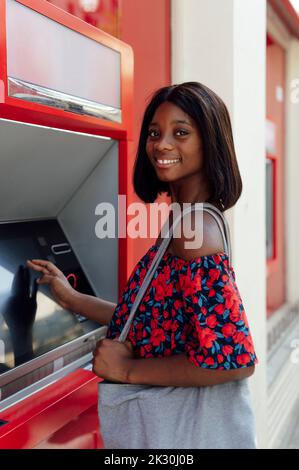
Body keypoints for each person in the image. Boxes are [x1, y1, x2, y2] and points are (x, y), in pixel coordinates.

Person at [27, 82, 258, 448]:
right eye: (154, 133)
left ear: (210, 142)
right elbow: (156, 324)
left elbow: (233, 359)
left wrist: (126, 369)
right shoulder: (182, 222)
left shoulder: (193, 230)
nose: (161, 144)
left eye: (180, 132)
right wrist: (73, 300)